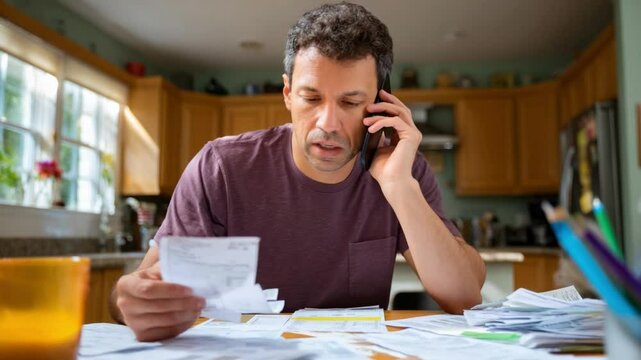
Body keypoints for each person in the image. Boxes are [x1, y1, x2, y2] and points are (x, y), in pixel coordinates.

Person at [110, 2, 486, 341]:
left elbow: (465, 296)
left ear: (380, 104)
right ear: (288, 93)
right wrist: (128, 298)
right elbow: (142, 288)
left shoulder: (403, 171)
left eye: (351, 102)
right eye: (311, 98)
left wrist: (399, 186)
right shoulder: (221, 167)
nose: (328, 123)